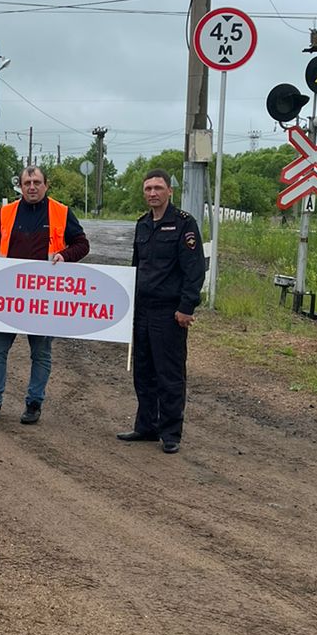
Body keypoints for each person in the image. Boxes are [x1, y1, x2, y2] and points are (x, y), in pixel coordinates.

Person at [0, 164, 88, 425]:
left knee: (41, 354)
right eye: (27, 183)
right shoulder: (7, 212)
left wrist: (64, 255)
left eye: (37, 182)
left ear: (46, 185)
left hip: (43, 298)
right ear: (20, 186)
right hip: (8, 295)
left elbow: (82, 244)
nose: (32, 187)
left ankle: (34, 404)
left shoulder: (61, 212)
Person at [118, 170, 206, 453]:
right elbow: (136, 267)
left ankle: (171, 433)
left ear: (170, 191)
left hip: (169, 312)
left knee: (169, 374)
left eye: (158, 188)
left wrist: (186, 307)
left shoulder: (184, 224)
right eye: (148, 189)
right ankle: (146, 426)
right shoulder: (142, 225)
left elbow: (194, 270)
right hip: (142, 309)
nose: (152, 193)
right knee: (143, 372)